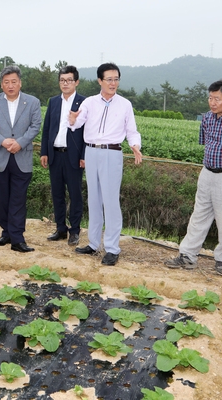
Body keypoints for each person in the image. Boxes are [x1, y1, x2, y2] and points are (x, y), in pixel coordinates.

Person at [165, 80, 222, 274]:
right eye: (210, 98)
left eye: (217, 99)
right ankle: (187, 255)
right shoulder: (206, 118)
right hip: (207, 172)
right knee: (199, 214)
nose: (212, 102)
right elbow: (208, 144)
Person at [68, 63, 142, 266]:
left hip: (112, 152)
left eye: (116, 79)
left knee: (110, 201)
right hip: (91, 151)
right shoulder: (90, 102)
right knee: (94, 198)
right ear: (100, 81)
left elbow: (132, 130)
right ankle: (93, 244)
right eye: (109, 79)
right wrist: (73, 118)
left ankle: (111, 248)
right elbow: (76, 123)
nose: (113, 83)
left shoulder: (125, 104)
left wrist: (135, 145)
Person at [0, 65, 42, 252]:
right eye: (6, 82)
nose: (10, 85)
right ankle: (6, 232)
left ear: (20, 83)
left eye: (14, 82)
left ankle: (17, 238)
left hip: (21, 156)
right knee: (1, 199)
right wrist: (3, 141)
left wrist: (20, 143)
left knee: (18, 198)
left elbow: (35, 126)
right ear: (1, 85)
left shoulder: (32, 102)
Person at [40, 65, 86, 246]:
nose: (65, 83)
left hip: (73, 156)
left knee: (75, 194)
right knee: (57, 193)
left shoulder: (84, 103)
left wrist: (84, 155)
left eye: (69, 80)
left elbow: (87, 132)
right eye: (62, 80)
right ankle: (60, 228)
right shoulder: (53, 102)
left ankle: (74, 230)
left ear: (76, 82)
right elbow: (47, 129)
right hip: (55, 154)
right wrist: (44, 151)